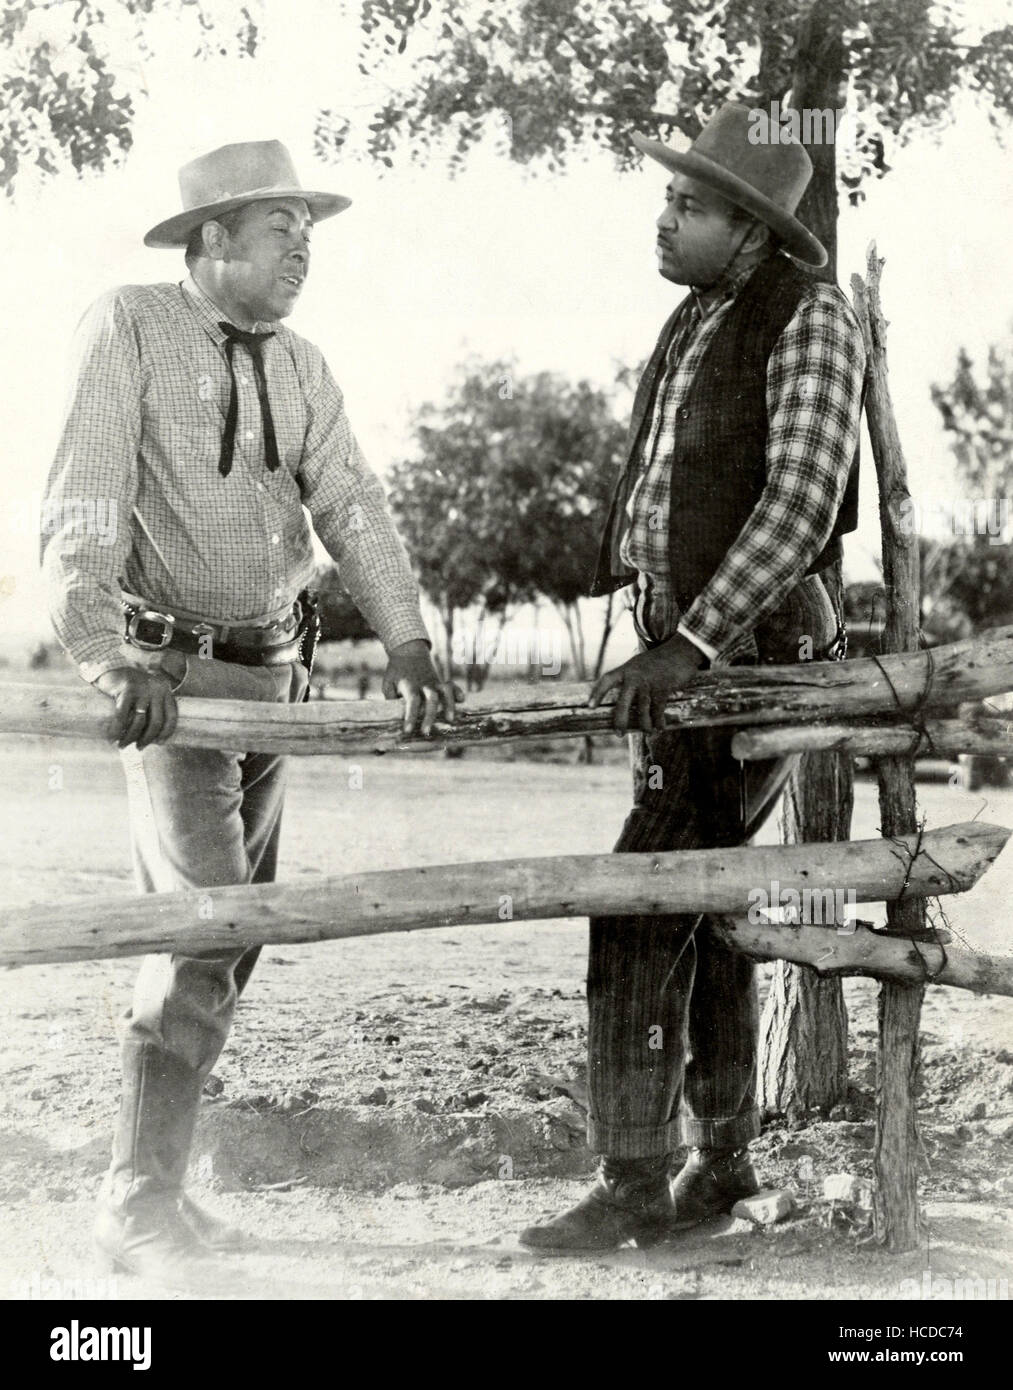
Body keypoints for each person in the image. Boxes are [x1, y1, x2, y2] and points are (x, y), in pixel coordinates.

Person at [41, 140, 456, 1284]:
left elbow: (353, 502)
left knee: (239, 931)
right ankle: (133, 1200)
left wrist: (410, 637)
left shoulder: (304, 364)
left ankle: (160, 1183)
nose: (302, 252)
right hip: (173, 686)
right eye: (281, 231)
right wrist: (102, 653)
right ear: (212, 238)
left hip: (279, 680)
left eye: (308, 233)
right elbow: (80, 491)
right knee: (207, 930)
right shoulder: (126, 326)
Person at [520, 103, 866, 1251]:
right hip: (691, 654)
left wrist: (689, 645)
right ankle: (718, 1162)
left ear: (752, 228)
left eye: (686, 205)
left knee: (635, 900)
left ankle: (630, 1180)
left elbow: (797, 504)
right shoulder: (691, 324)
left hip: (751, 661)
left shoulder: (809, 317)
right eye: (666, 199)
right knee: (706, 900)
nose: (662, 221)